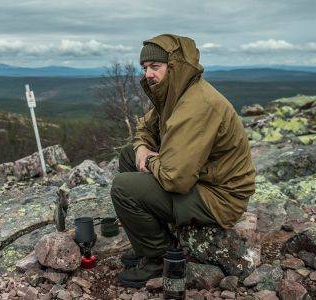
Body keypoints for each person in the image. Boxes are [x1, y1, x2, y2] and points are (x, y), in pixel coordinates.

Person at [110, 34, 256, 288]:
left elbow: (175, 179)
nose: (148, 74)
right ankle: (149, 240)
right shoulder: (176, 93)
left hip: (220, 197)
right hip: (201, 180)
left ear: (175, 67)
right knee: (128, 154)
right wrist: (143, 148)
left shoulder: (197, 105)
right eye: (145, 68)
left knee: (123, 188)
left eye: (155, 67)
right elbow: (146, 126)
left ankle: (158, 258)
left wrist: (151, 162)